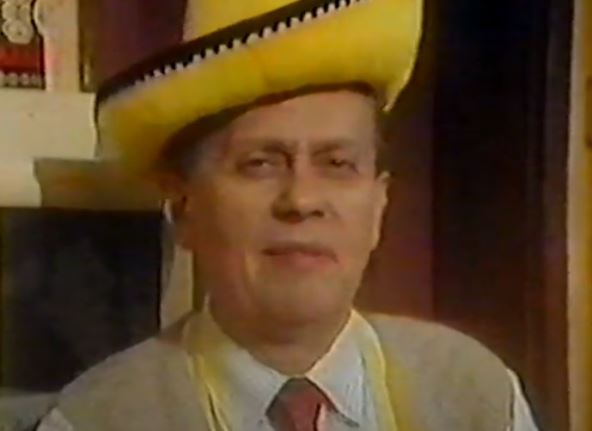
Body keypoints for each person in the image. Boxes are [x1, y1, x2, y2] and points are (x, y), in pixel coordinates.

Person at [38, 0, 540, 429]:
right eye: (260, 164)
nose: (301, 200)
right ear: (184, 207)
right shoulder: (98, 419)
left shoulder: (477, 395)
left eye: (337, 164)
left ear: (379, 205)